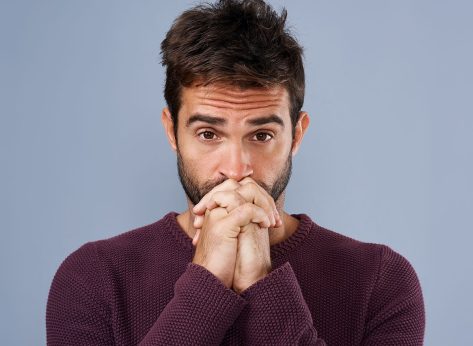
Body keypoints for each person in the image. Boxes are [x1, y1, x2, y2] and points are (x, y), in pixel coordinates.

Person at [46, 0, 425, 345]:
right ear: (171, 131)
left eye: (261, 135)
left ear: (297, 134)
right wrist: (207, 282)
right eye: (209, 134)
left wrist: (264, 282)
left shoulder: (381, 280)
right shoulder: (92, 277)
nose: (236, 168)